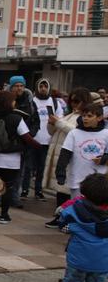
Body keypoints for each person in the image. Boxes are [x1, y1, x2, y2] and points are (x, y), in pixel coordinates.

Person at [54, 173, 108, 282]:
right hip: (101, 262)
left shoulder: (74, 209)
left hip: (77, 259)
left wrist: (72, 228)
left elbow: (61, 225)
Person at [0, 91, 41, 224]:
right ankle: (4, 215)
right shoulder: (16, 118)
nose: (15, 102)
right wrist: (38, 146)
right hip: (11, 159)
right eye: (13, 100)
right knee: (8, 187)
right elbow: (26, 137)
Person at [44, 88, 92, 228]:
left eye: (77, 101)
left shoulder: (84, 117)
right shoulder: (69, 114)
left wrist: (58, 122)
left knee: (67, 190)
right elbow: (52, 132)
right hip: (58, 152)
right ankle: (59, 216)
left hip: (70, 156)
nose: (73, 104)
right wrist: (51, 123)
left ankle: (65, 218)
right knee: (60, 189)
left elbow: (76, 131)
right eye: (71, 101)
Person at [55, 103, 108, 199]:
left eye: (89, 116)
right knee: (78, 208)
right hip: (77, 180)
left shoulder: (106, 134)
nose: (85, 118)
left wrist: (103, 159)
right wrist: (60, 173)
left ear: (99, 118)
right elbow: (65, 154)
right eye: (83, 115)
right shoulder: (74, 133)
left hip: (99, 182)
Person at [23, 78, 59, 201]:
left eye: (45, 86)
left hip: (47, 140)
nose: (43, 89)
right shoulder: (32, 101)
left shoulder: (54, 102)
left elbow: (60, 120)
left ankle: (38, 190)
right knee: (28, 167)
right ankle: (24, 190)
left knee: (41, 167)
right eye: (41, 86)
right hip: (33, 140)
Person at [8, 76, 39, 208]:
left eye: (21, 85)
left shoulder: (30, 103)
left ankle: (14, 197)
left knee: (19, 172)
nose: (19, 88)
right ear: (11, 87)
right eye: (16, 86)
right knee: (4, 172)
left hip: (23, 144)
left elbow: (36, 122)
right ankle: (0, 196)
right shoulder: (7, 101)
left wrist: (29, 135)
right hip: (8, 143)